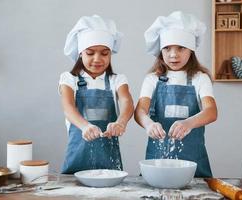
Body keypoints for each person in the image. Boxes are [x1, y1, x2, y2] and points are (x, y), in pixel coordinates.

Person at [134, 11, 217, 177]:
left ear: (191, 50)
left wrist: (189, 123)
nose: (173, 54)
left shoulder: (200, 78)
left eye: (181, 48)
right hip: (158, 161)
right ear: (160, 50)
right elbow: (139, 111)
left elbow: (211, 111)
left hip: (193, 161)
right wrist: (149, 124)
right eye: (167, 48)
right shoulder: (152, 79)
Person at [59, 15, 134, 174]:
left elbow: (127, 102)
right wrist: (85, 126)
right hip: (76, 164)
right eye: (90, 53)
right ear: (80, 53)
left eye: (104, 53)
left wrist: (120, 122)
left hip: (110, 166)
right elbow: (68, 109)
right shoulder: (69, 79)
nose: (97, 59)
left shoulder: (117, 80)